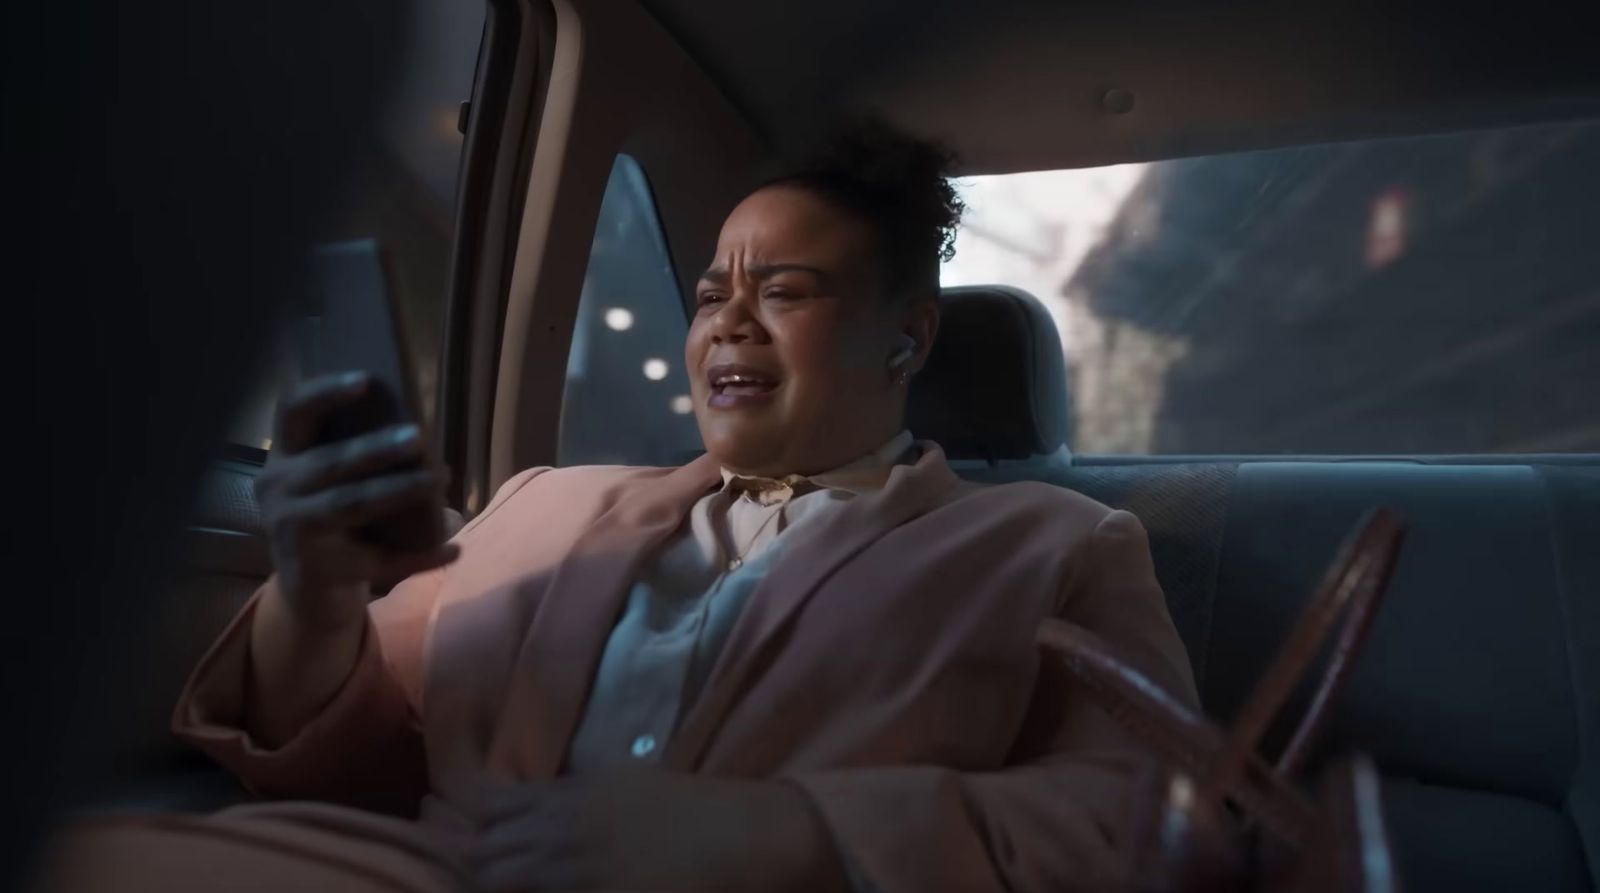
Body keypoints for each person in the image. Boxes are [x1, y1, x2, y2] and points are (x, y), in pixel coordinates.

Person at [40, 123, 1197, 893]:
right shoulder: (547, 504)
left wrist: (784, 832)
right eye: (709, 294)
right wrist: (318, 593)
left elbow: (1148, 813)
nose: (725, 323)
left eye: (784, 290)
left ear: (908, 334)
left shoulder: (1050, 545)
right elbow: (348, 759)